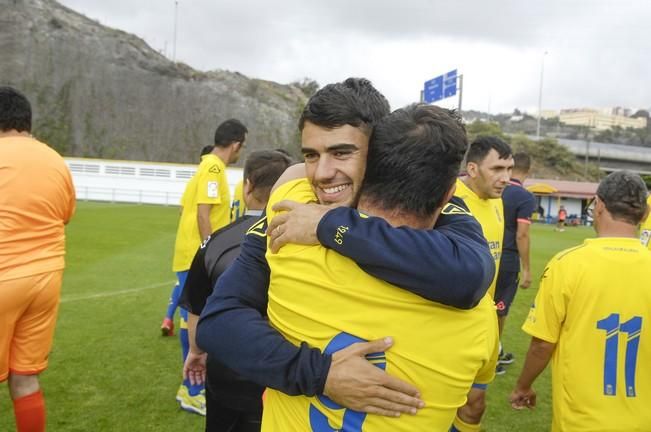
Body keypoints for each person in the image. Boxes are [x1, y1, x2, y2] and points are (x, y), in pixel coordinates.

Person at [197, 78, 495, 417]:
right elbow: (219, 320)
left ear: (379, 152)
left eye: (341, 152)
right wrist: (320, 374)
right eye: (311, 155)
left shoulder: (437, 209)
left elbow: (469, 274)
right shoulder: (294, 202)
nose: (322, 173)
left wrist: (328, 226)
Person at [261, 103, 498, 430]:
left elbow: (294, 175)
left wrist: (331, 223)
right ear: (448, 195)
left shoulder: (289, 233)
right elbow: (473, 404)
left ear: (366, 168)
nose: (323, 170)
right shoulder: (478, 318)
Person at [510, 170, 651, 431]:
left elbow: (542, 343)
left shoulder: (567, 264)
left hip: (580, 422)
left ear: (597, 206)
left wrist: (523, 386)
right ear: (644, 214)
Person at [180, 150, 291, 432]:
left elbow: (198, 309)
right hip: (283, 371)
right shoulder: (303, 240)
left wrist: (196, 351)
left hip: (226, 369)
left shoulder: (215, 242)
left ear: (248, 186)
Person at [0, 86, 76, 432]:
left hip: (4, 274)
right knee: (25, 377)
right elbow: (64, 215)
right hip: (46, 279)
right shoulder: (55, 160)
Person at [167, 118, 248, 415]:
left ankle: (187, 386)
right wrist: (208, 254)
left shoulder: (204, 167)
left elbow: (183, 209)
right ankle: (193, 391)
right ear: (237, 144)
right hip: (195, 256)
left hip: (188, 253)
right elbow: (204, 213)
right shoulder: (214, 168)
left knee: (191, 319)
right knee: (193, 322)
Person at [450, 135, 512, 431]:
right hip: (451, 323)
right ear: (472, 169)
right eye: (497, 169)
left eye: (509, 169)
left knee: (475, 406)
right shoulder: (450, 199)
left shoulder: (498, 201)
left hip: (484, 320)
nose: (505, 178)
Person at [493, 152, 536, 372]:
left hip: (485, 253)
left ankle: (496, 351)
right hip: (507, 260)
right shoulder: (524, 197)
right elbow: (522, 235)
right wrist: (527, 269)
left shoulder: (491, 188)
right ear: (527, 171)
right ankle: (493, 359)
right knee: (499, 310)